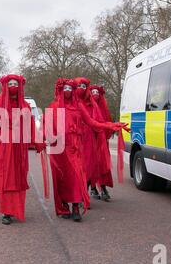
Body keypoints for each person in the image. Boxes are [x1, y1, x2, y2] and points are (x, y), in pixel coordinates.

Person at [46, 78, 126, 222]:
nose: (68, 91)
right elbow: (47, 130)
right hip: (58, 151)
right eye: (65, 88)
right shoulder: (53, 107)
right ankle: (64, 207)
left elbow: (92, 122)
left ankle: (76, 207)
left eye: (71, 89)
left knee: (77, 177)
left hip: (75, 148)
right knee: (62, 179)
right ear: (60, 90)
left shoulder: (78, 106)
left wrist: (110, 125)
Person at [0, 74, 44, 225]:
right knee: (5, 176)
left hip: (20, 146)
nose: (13, 86)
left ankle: (16, 208)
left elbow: (31, 126)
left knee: (19, 177)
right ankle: (6, 211)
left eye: (15, 83)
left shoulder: (25, 105)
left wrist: (38, 142)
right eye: (10, 83)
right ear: (5, 85)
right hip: (4, 145)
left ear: (20, 86)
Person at [85, 85, 115, 201]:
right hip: (90, 141)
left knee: (102, 165)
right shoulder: (87, 106)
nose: (95, 94)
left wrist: (108, 132)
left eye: (97, 92)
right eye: (93, 92)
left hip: (102, 142)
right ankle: (91, 188)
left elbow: (107, 121)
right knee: (90, 165)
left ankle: (102, 188)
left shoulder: (103, 108)